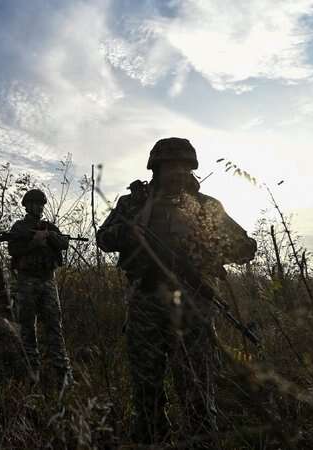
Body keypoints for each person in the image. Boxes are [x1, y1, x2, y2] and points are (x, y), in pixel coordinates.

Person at [96, 137, 257, 446]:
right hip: (145, 300)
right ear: (155, 168)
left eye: (184, 165)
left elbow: (246, 247)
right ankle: (151, 436)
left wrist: (212, 246)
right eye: (170, 165)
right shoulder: (134, 204)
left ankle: (201, 439)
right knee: (146, 384)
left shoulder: (207, 206)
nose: (177, 171)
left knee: (197, 384)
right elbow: (104, 239)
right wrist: (129, 233)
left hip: (194, 305)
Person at [6, 188, 74, 393]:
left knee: (55, 327)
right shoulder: (19, 227)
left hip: (47, 280)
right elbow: (13, 250)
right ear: (27, 205)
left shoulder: (49, 226)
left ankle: (63, 375)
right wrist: (34, 243)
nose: (38, 207)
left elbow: (64, 243)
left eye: (41, 204)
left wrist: (50, 237)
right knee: (27, 327)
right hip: (27, 281)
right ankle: (31, 373)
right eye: (34, 203)